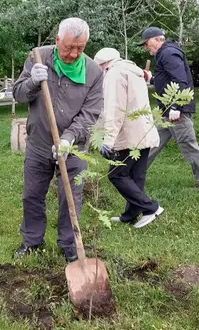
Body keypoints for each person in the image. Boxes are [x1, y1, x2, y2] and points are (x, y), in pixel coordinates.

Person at [13, 18, 103, 262]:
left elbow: (90, 113)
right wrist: (32, 81)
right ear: (56, 41)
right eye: (69, 47)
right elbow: (19, 94)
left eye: (80, 48)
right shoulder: (38, 57)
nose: (74, 54)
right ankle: (32, 240)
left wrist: (69, 139)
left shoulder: (94, 72)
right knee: (32, 194)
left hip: (74, 148)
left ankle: (69, 244)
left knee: (70, 197)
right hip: (39, 143)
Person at [140, 26, 199, 189]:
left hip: (176, 112)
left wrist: (176, 106)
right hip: (165, 111)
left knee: (188, 145)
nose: (146, 48)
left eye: (146, 44)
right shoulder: (164, 53)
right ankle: (133, 175)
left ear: (156, 39)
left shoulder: (168, 53)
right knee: (151, 141)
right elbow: (168, 80)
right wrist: (152, 79)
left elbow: (181, 80)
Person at [94, 48, 163, 228]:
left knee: (116, 175)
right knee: (135, 175)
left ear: (103, 65)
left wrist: (108, 140)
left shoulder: (114, 74)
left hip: (129, 133)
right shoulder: (134, 71)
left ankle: (150, 208)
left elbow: (115, 109)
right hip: (144, 129)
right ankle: (130, 215)